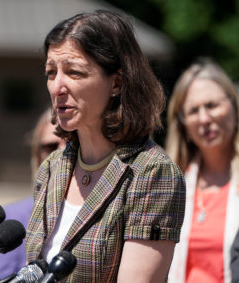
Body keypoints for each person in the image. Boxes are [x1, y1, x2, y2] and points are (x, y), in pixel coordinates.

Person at [25, 10, 186, 282]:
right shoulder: (51, 168)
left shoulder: (152, 174)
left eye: (74, 72)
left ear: (116, 83)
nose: (57, 87)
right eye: (51, 73)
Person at [166, 59, 239, 283]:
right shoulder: (171, 184)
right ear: (183, 124)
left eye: (212, 105)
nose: (205, 119)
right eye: (194, 110)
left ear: (234, 106)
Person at [0, 108, 65, 279]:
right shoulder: (13, 217)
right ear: (37, 156)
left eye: (71, 143)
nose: (61, 153)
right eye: (51, 146)